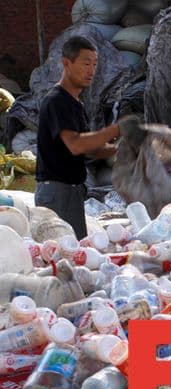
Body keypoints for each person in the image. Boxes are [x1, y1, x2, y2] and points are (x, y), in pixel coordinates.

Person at [35, 36, 121, 239]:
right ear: (66, 63)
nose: (91, 71)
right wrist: (116, 129)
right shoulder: (56, 101)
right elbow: (75, 145)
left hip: (71, 191)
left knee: (77, 248)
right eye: (86, 63)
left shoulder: (76, 104)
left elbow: (89, 150)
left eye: (95, 64)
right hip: (57, 192)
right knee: (63, 250)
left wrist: (121, 149)